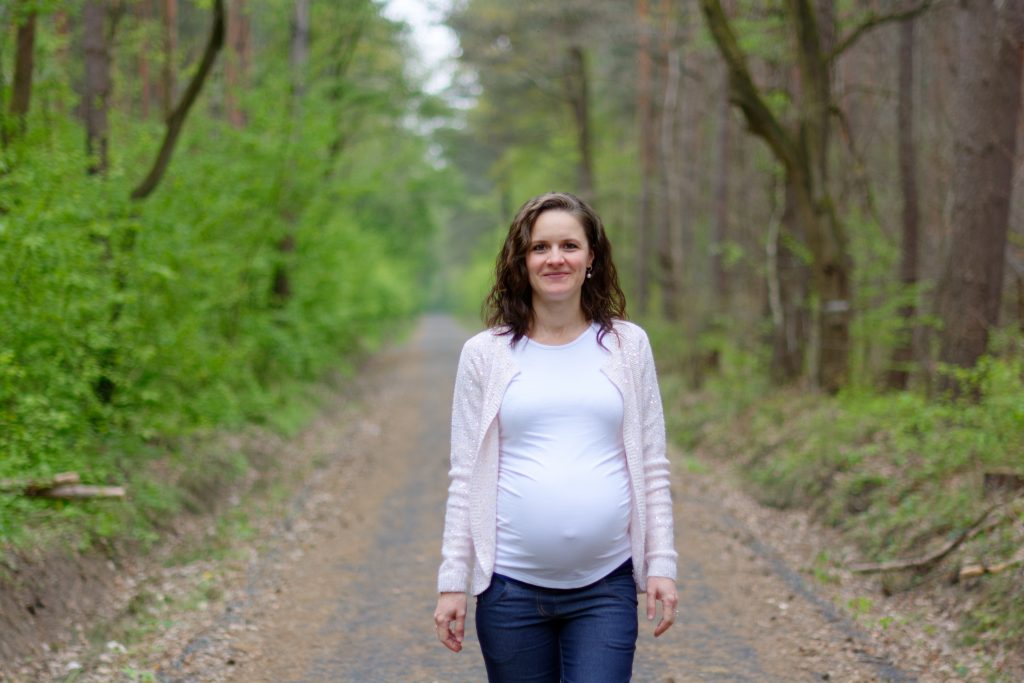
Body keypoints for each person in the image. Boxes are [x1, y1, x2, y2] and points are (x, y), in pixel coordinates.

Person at [434, 191, 678, 682]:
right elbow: (465, 476)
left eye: (569, 245)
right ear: (521, 261)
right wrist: (452, 581)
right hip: (508, 590)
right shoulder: (485, 355)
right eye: (540, 247)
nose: (555, 258)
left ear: (591, 258)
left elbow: (652, 465)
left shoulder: (628, 346)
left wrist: (661, 565)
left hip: (605, 586)